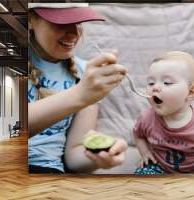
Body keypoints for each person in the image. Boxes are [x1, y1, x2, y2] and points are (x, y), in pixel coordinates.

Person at [28, 3, 128, 174]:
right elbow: (11, 130)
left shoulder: (86, 73)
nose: (75, 33)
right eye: (61, 22)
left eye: (78, 21)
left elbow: (74, 158)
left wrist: (101, 155)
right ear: (30, 19)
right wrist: (80, 94)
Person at [133, 51, 194, 174]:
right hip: (158, 167)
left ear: (191, 92)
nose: (155, 87)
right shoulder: (146, 117)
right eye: (151, 83)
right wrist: (145, 152)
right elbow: (138, 134)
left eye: (167, 83)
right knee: (140, 176)